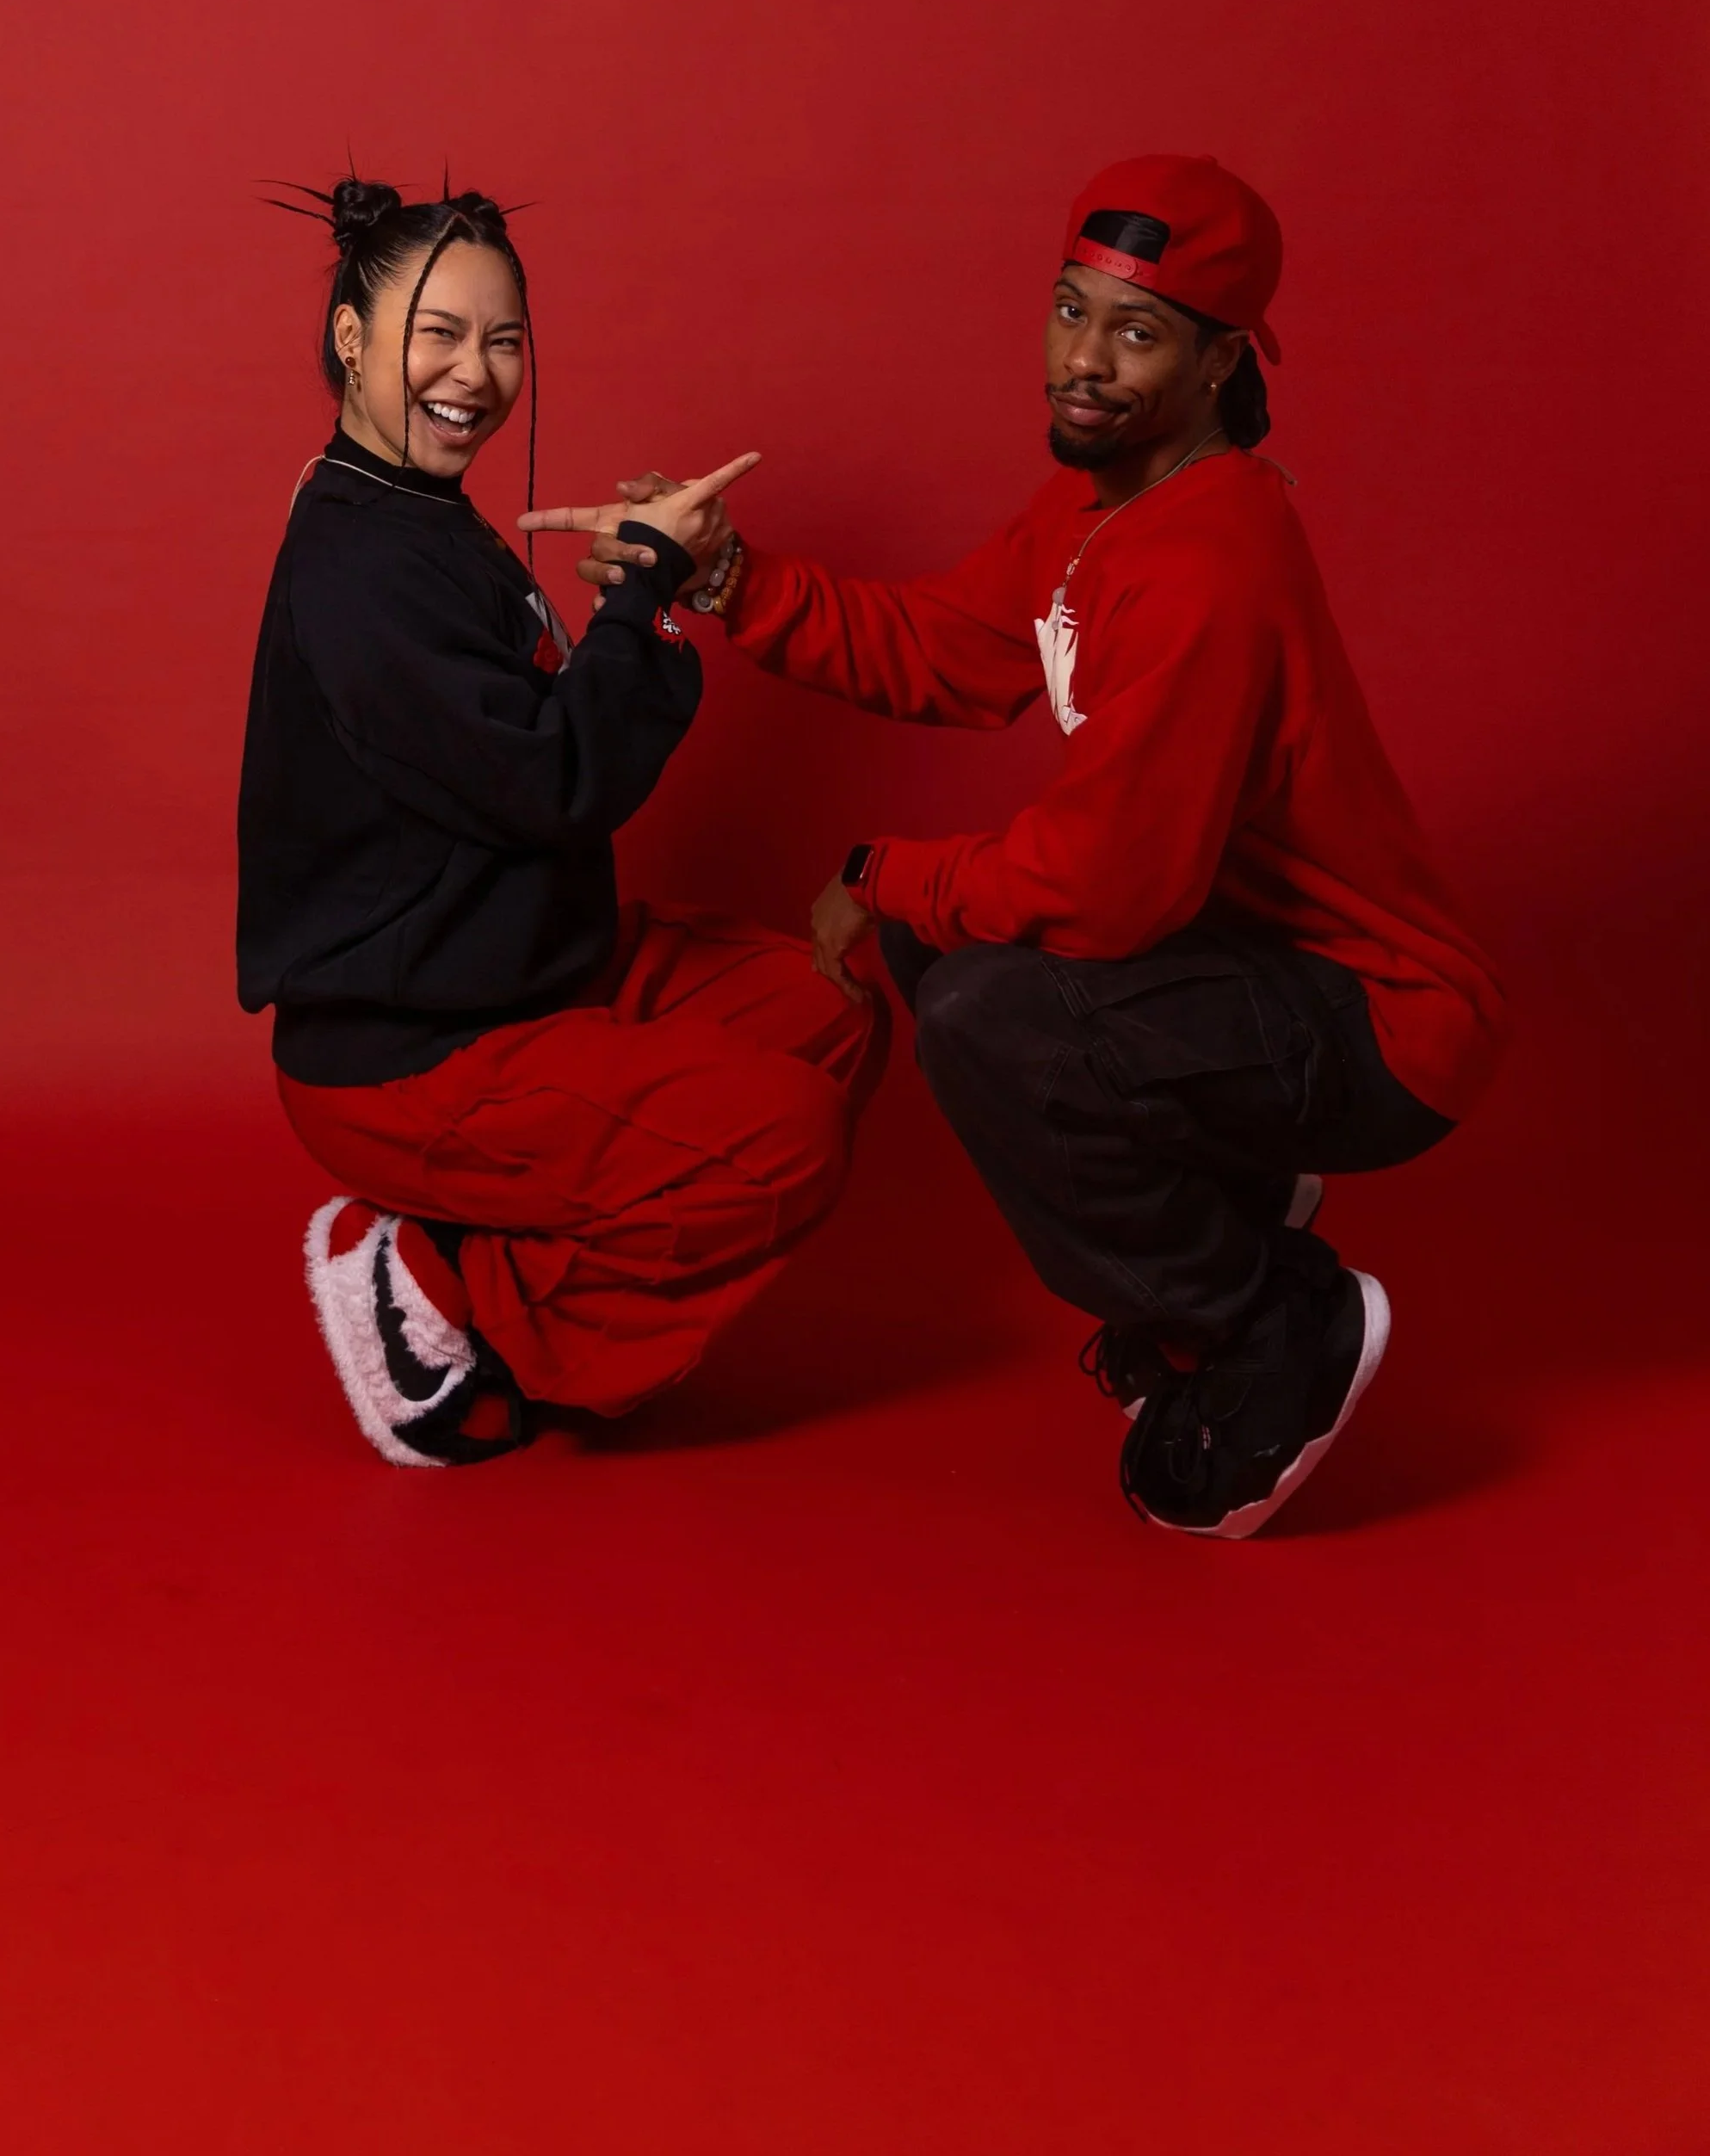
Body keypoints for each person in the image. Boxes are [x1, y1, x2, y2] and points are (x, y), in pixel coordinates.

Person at [524, 154, 1507, 1536]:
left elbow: (1110, 886)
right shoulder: (1105, 503)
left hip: (1375, 1020)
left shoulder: (1209, 566)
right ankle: (1222, 1196)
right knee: (955, 941)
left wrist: (880, 874)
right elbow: (952, 648)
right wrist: (730, 578)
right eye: (1068, 311)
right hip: (1247, 967)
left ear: (1222, 362)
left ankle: (1265, 1317)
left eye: (1137, 331)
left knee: (989, 1012)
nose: (1083, 361)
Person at [238, 178, 885, 1467]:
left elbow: (522, 756)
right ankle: (439, 1288)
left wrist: (643, 591)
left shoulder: (419, 512)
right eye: (436, 332)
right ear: (352, 338)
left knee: (825, 1013)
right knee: (783, 1137)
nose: (474, 374)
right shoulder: (359, 562)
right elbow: (551, 783)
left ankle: (495, 1261)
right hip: (416, 1050)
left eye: (505, 338)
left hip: (534, 974)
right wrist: (643, 598)